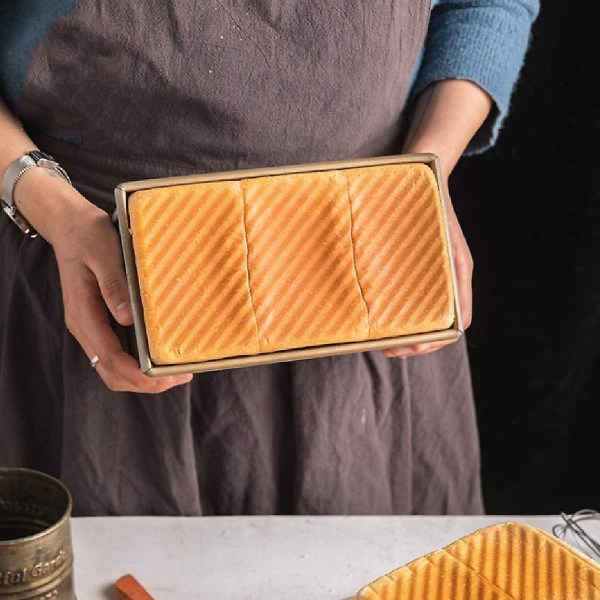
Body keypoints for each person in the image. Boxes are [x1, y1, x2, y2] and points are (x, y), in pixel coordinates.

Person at [0, 1, 539, 516]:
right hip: (97, 284)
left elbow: (483, 4)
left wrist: (421, 178)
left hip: (374, 273)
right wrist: (58, 212)